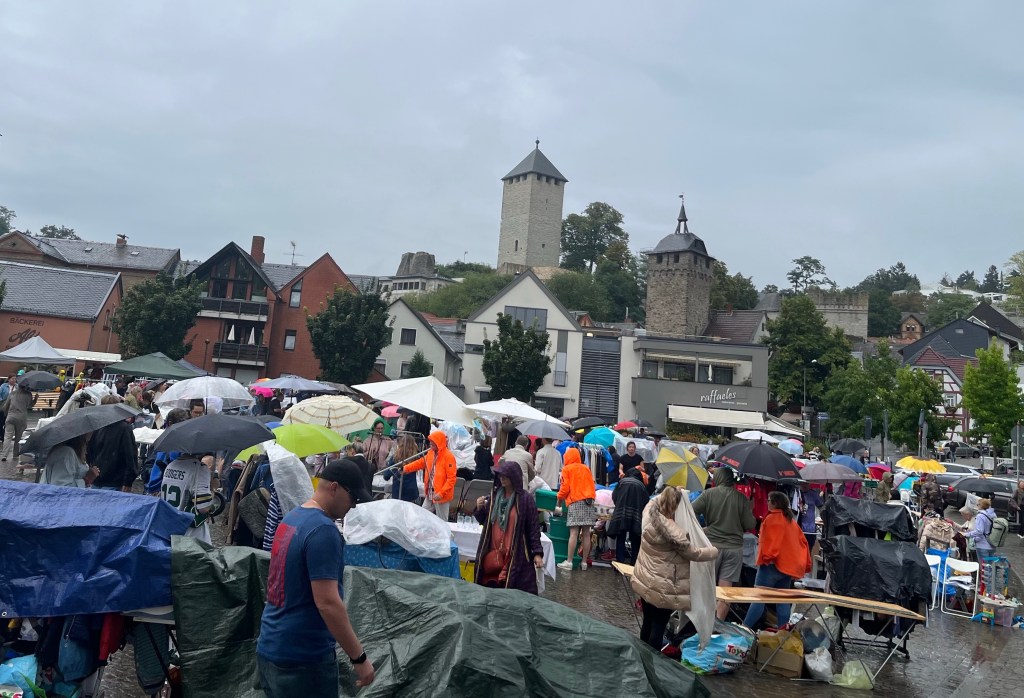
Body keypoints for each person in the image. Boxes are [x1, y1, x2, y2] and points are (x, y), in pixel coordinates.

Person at [257, 459, 375, 696]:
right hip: (303, 659)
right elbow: (327, 603)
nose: (353, 506)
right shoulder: (323, 530)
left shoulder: (291, 519)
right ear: (334, 488)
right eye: (353, 498)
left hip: (271, 647)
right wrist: (359, 658)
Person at [630, 487, 718, 650]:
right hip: (665, 587)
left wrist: (671, 492)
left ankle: (641, 655)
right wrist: (713, 551)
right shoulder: (676, 534)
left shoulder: (649, 515)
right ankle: (652, 662)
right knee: (658, 626)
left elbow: (652, 501)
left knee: (647, 621)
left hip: (646, 580)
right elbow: (695, 554)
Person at [692, 467, 757, 620]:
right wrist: (750, 508)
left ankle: (702, 623)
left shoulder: (708, 494)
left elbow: (691, 510)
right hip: (734, 549)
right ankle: (718, 625)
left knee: (706, 586)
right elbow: (750, 524)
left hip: (711, 547)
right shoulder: (741, 498)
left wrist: (701, 529)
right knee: (725, 591)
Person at [472, 461, 545, 593]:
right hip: (494, 551)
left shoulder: (525, 500)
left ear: (514, 477)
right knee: (490, 589)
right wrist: (479, 508)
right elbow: (485, 520)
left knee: (512, 589)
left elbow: (533, 528)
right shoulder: (495, 497)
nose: (502, 478)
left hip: (515, 554)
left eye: (505, 475)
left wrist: (537, 553)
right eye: (500, 475)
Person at [743, 491, 812, 630]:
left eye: (769, 500)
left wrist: (766, 558)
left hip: (770, 566)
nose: (767, 503)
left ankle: (744, 629)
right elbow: (802, 543)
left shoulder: (771, 519)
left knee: (759, 599)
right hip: (786, 568)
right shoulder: (790, 521)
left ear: (775, 503)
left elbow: (771, 544)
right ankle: (782, 635)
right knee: (782, 602)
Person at [160, 452, 216, 544]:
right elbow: (204, 508)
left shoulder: (171, 465)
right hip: (189, 531)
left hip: (168, 524)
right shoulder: (199, 468)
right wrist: (213, 490)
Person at [555, 448, 597, 571]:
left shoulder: (567, 469)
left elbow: (565, 488)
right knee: (586, 534)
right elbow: (592, 485)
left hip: (576, 501)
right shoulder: (586, 468)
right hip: (589, 501)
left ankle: (569, 562)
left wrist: (559, 499)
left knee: (573, 532)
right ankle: (584, 563)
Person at [88, 395, 140, 491]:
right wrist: (128, 481)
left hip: (104, 480)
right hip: (111, 480)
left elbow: (90, 451)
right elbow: (130, 455)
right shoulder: (123, 428)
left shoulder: (98, 426)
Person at [403, 430, 457, 521]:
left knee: (442, 521)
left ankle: (444, 535)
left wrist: (441, 493)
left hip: (441, 496)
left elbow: (451, 479)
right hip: (430, 493)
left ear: (438, 443)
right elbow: (421, 463)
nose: (430, 444)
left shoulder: (449, 457)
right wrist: (406, 468)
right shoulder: (431, 453)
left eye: (432, 443)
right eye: (430, 442)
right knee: (421, 516)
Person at [608, 467, 648, 564]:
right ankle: (633, 563)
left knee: (620, 537)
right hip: (636, 515)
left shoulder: (622, 482)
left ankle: (619, 562)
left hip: (621, 513)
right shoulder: (642, 486)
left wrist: (619, 505)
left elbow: (614, 496)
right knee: (635, 539)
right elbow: (646, 501)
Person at [0, 382, 34, 462]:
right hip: (21, 418)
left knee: (7, 437)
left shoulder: (12, 393)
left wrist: (6, 415)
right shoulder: (28, 394)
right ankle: (15, 454)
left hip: (10, 416)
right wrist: (35, 399)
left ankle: (4, 455)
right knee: (18, 437)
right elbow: (30, 406)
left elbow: (5, 406)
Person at [381, 434, 420, 502]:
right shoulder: (416, 458)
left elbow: (386, 476)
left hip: (398, 491)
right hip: (411, 491)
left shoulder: (395, 458)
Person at [798, 484, 824, 552]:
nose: (805, 486)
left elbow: (821, 506)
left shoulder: (813, 494)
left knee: (809, 548)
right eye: (803, 484)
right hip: (799, 527)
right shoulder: (797, 493)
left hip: (811, 528)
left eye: (807, 484)